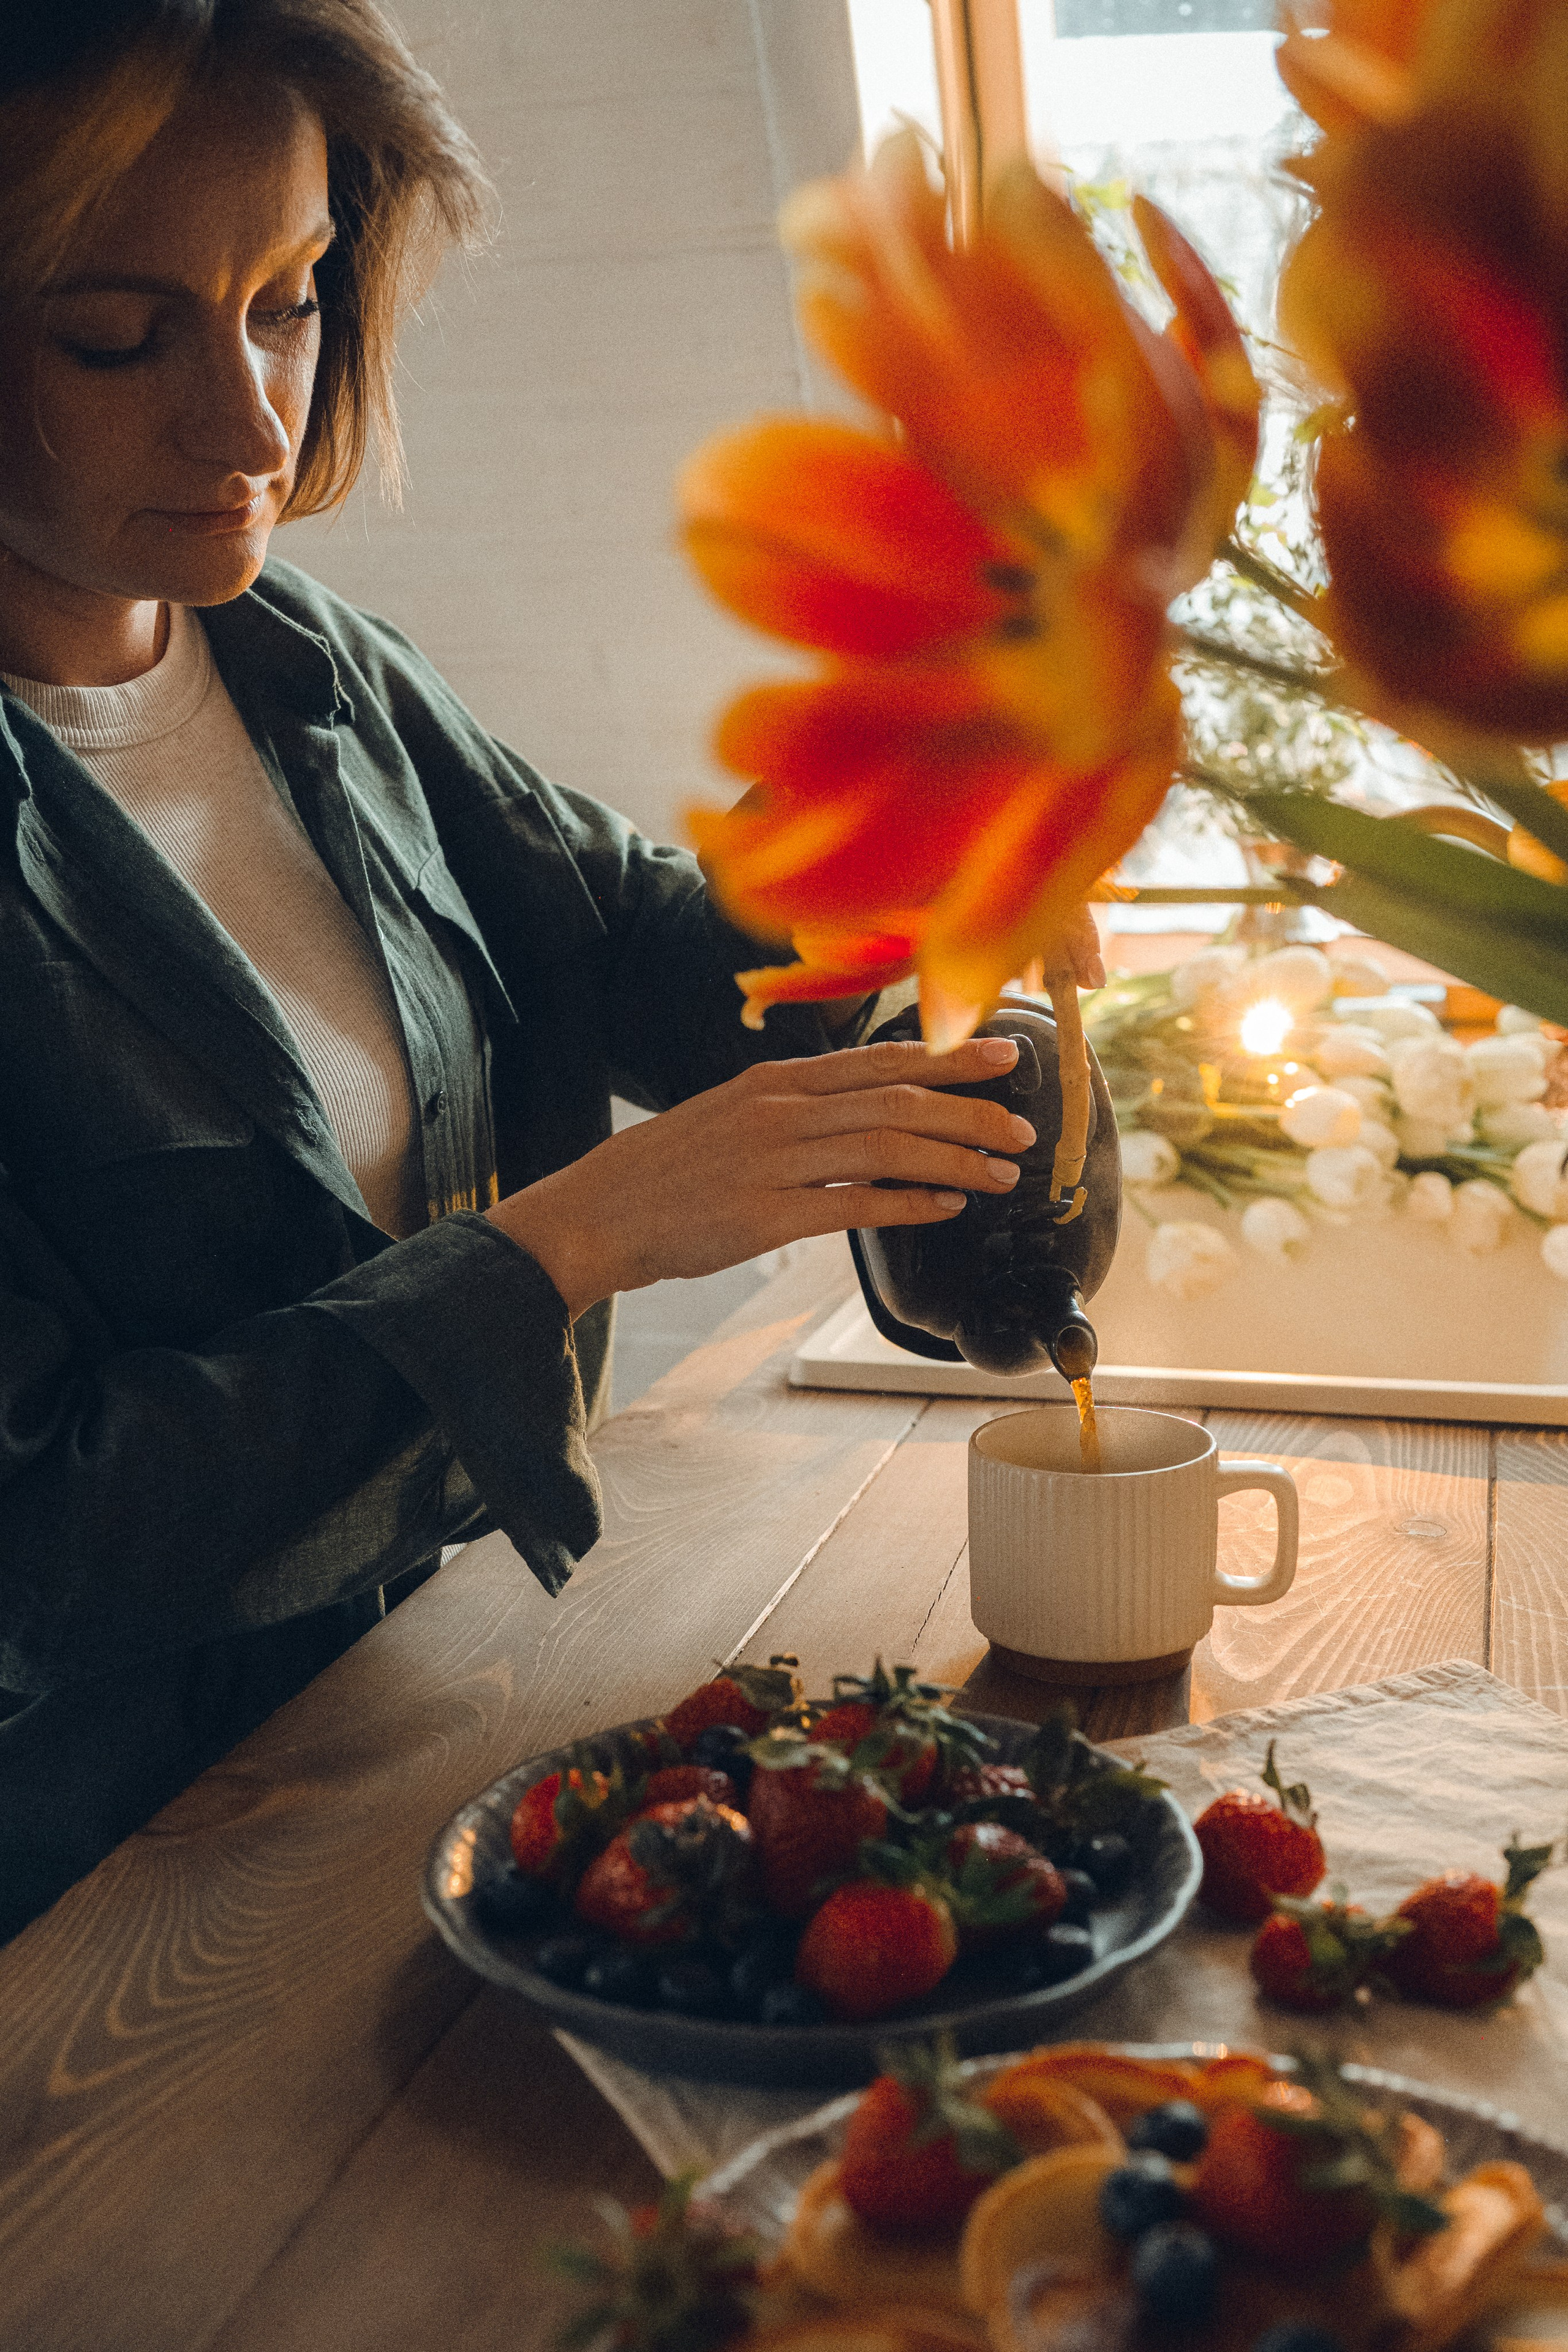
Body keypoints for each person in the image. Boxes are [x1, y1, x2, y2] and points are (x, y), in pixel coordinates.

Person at [0, 0, 1100, 1944]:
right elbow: (43, 1534)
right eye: (118, 333)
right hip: (98, 1899)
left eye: (290, 299)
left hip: (411, 1731)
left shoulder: (302, 666)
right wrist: (561, 1248)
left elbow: (638, 953)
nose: (253, 421)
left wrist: (894, 884)